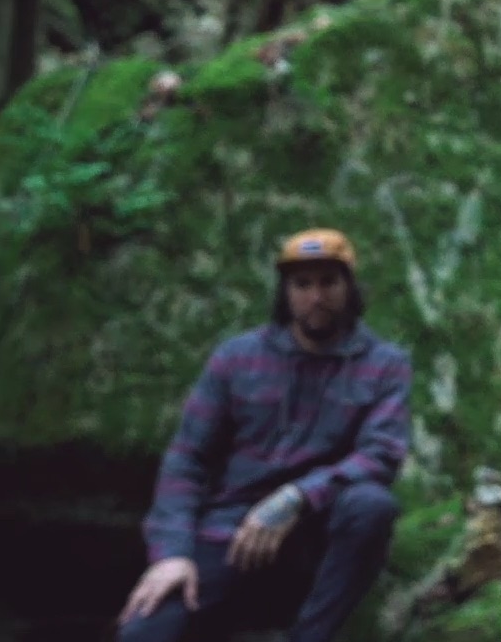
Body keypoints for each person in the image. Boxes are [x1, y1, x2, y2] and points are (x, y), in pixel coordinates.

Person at [115, 229, 413, 642]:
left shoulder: (385, 364)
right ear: (285, 293)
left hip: (317, 528)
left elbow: (381, 454)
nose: (317, 296)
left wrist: (296, 497)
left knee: (372, 505)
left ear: (350, 287)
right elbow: (187, 459)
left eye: (328, 282)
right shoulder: (237, 357)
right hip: (232, 530)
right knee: (145, 631)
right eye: (302, 284)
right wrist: (172, 553)